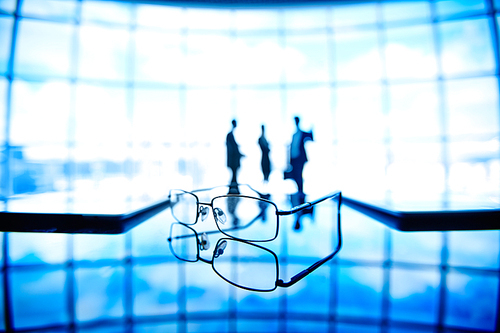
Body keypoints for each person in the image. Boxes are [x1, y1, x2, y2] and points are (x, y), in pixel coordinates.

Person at [286, 116, 313, 193]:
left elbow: (311, 138)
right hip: (294, 158)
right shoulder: (294, 135)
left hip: (300, 158)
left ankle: (301, 190)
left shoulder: (303, 133)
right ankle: (299, 189)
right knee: (296, 174)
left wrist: (312, 129)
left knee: (299, 174)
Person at [226, 119, 244, 185]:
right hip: (233, 160)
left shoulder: (231, 135)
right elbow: (233, 149)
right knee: (234, 176)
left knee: (234, 176)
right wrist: (239, 154)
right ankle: (233, 190)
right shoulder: (230, 135)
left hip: (233, 160)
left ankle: (233, 190)